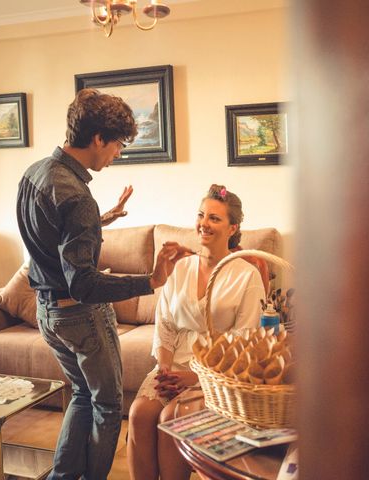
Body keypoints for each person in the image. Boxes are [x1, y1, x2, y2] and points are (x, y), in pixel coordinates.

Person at [16, 88, 192, 480]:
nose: (118, 154)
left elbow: (51, 236)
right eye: (118, 145)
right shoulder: (77, 197)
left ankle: (62, 477)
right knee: (108, 406)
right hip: (79, 316)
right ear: (98, 138)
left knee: (82, 394)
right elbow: (84, 285)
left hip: (49, 316)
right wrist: (151, 280)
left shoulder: (36, 173)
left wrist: (101, 218)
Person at [127, 184, 265, 480]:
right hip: (171, 366)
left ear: (233, 228)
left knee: (169, 419)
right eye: (201, 215)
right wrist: (164, 369)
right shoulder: (181, 267)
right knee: (139, 414)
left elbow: (244, 345)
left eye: (215, 218)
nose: (204, 223)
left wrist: (194, 377)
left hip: (216, 375)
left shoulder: (247, 275)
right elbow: (163, 324)